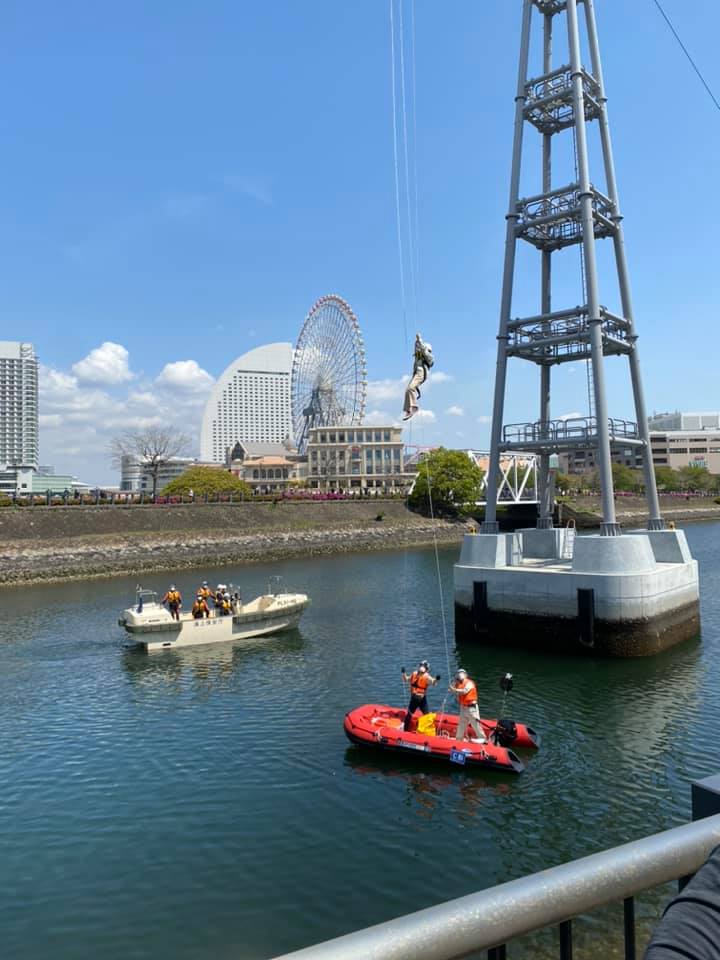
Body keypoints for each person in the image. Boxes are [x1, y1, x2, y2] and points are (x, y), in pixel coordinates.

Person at [401, 660, 440, 731]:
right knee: (426, 715)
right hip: (420, 699)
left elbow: (405, 679)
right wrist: (437, 679)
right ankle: (427, 729)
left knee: (409, 714)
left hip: (415, 698)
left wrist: (403, 673)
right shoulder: (426, 676)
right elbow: (433, 683)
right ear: (427, 668)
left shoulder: (415, 674)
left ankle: (405, 730)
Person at [449, 668, 485, 742]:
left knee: (475, 724)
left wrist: (454, 689)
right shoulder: (458, 684)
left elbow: (464, 691)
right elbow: (452, 691)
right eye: (459, 673)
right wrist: (453, 686)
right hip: (463, 707)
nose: (460, 674)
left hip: (471, 708)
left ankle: (482, 738)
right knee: (461, 724)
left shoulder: (469, 683)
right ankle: (459, 738)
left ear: (465, 675)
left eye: (461, 673)